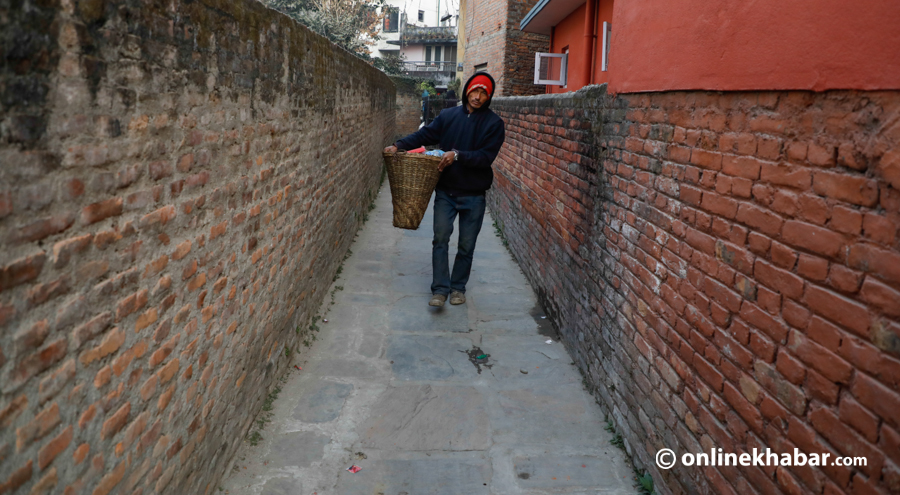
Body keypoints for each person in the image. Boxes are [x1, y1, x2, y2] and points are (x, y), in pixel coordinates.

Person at [384, 72, 506, 307]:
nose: (477, 97)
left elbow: (485, 157)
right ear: (467, 91)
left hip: (474, 195)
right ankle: (440, 289)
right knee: (440, 239)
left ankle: (458, 287)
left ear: (489, 97)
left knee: (466, 245)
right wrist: (398, 145)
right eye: (474, 91)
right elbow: (425, 135)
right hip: (446, 192)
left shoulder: (494, 124)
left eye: (483, 93)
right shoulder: (448, 116)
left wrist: (457, 155)